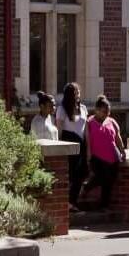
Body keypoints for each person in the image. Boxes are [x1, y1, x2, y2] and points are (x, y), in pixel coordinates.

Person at [81, 95, 126, 210]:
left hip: (113, 156)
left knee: (110, 180)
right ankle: (87, 187)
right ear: (97, 110)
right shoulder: (89, 122)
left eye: (108, 111)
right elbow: (88, 141)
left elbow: (118, 138)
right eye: (104, 111)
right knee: (101, 177)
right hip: (97, 157)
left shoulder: (112, 122)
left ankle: (104, 205)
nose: (106, 114)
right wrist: (88, 156)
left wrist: (122, 151)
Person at [56, 81, 88, 210]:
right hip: (68, 141)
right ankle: (66, 201)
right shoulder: (62, 109)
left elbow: (86, 129)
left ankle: (72, 201)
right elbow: (59, 129)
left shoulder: (83, 108)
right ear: (70, 94)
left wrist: (89, 147)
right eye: (76, 92)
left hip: (81, 142)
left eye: (78, 92)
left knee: (81, 173)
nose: (78, 94)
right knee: (70, 174)